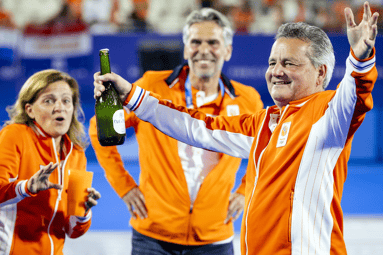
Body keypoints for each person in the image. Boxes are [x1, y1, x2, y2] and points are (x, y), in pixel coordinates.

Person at [93, 2, 379, 254]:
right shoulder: (262, 122)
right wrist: (131, 95)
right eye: (272, 62)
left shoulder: (329, 114)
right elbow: (197, 127)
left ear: (321, 73)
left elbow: (356, 92)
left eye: (289, 63)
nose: (276, 71)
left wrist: (360, 57)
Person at [89, 7, 263, 255]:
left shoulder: (248, 99)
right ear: (185, 48)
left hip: (214, 238)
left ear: (228, 50)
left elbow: (263, 149)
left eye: (213, 42)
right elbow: (99, 127)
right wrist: (123, 185)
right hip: (153, 236)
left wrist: (246, 190)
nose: (203, 50)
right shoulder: (152, 86)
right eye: (195, 42)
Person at [0, 69, 101, 255]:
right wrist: (27, 187)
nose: (59, 107)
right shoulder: (14, 135)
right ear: (30, 110)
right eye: (49, 100)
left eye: (66, 101)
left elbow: (73, 231)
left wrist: (83, 212)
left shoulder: (77, 154)